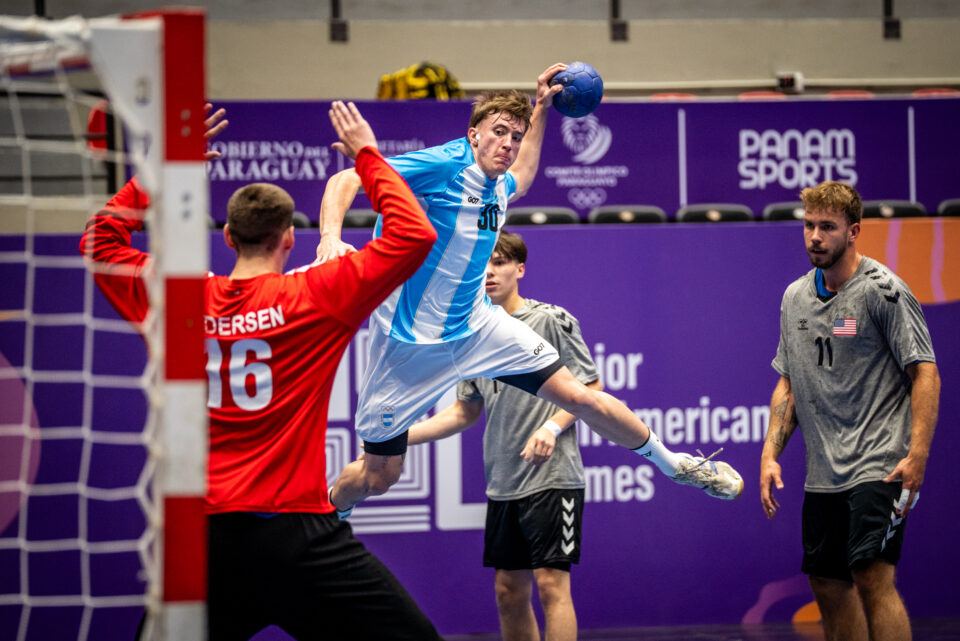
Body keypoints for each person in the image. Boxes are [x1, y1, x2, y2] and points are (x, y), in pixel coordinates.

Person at [80, 102, 443, 641]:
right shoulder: (316, 295)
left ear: (228, 236)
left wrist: (159, 169)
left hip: (208, 541)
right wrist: (367, 155)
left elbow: (99, 241)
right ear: (289, 237)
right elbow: (414, 235)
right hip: (299, 538)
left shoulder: (178, 298)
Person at [317, 64, 744, 521]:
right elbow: (347, 179)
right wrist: (329, 238)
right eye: (499, 132)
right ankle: (323, 513)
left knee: (578, 395)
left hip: (477, 326)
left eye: (515, 136)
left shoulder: (500, 182)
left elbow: (522, 175)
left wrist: (541, 108)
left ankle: (676, 465)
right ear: (473, 135)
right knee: (379, 477)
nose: (508, 144)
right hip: (409, 345)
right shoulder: (445, 165)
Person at [759, 181, 940, 641]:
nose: (815, 237)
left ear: (854, 231)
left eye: (827, 227)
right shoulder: (794, 298)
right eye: (809, 226)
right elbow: (789, 383)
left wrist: (917, 455)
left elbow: (925, 372)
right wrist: (770, 454)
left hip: (880, 463)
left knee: (871, 574)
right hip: (824, 472)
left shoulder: (884, 292)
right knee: (827, 583)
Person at [407, 230, 596, 641]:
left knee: (551, 585)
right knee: (508, 592)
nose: (489, 272)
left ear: (520, 270)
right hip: (503, 482)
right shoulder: (469, 333)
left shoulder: (551, 320)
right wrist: (400, 437)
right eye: (483, 263)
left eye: (500, 262)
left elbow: (592, 389)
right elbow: (464, 411)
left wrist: (550, 426)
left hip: (553, 477)